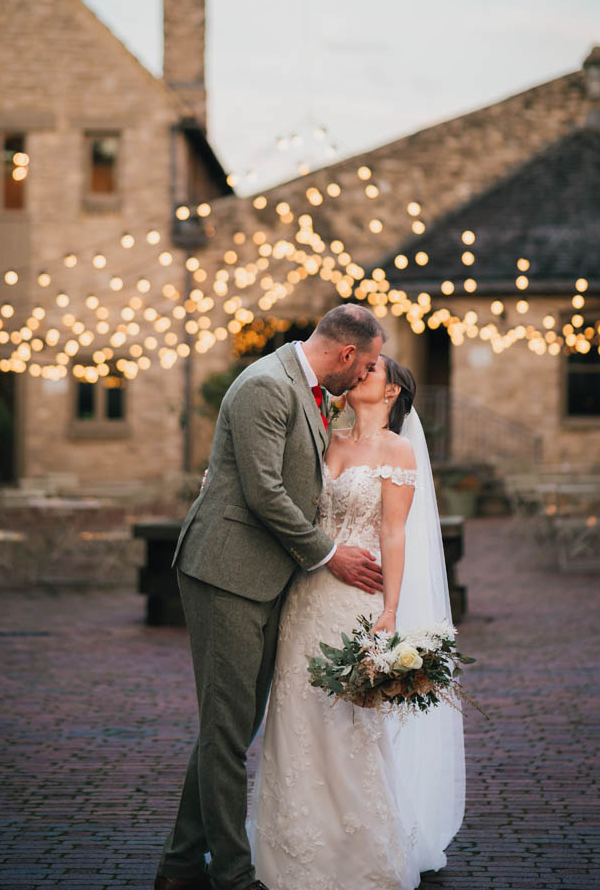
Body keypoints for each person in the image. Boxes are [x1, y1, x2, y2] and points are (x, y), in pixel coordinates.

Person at [155, 305, 387, 890]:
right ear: (345, 355)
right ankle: (232, 876)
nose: (362, 379)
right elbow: (263, 491)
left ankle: (180, 868)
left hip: (263, 576)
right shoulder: (266, 386)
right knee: (227, 732)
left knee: (228, 727)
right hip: (226, 572)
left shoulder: (305, 388)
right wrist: (330, 552)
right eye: (361, 368)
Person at [249, 355, 466, 890]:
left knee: (348, 720)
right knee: (295, 713)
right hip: (303, 596)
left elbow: (394, 534)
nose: (358, 374)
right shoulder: (324, 439)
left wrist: (390, 612)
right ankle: (291, 845)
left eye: (371, 371)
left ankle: (359, 850)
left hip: (357, 596)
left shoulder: (398, 451)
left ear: (392, 391)